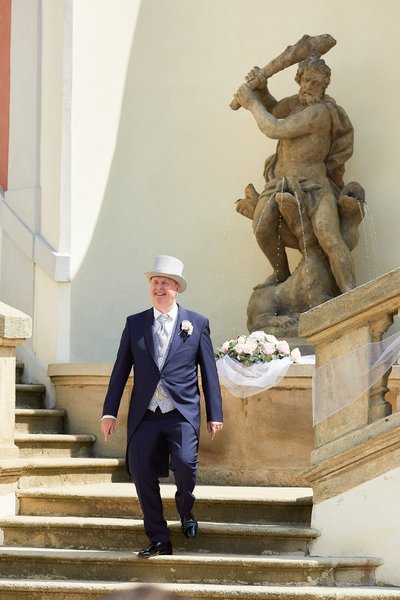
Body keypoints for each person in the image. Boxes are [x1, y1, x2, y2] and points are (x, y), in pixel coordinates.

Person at [101, 255, 223, 558]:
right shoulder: (135, 324)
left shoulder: (196, 323)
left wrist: (215, 414)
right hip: (146, 413)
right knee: (140, 471)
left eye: (165, 283)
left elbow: (209, 371)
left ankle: (186, 510)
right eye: (155, 282)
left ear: (177, 288)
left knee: (184, 464)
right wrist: (109, 411)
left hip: (181, 411)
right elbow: (120, 370)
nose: (158, 287)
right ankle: (159, 538)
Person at [234, 54, 356, 294]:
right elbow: (275, 110)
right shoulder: (295, 103)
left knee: (329, 236)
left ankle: (351, 294)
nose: (310, 87)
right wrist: (263, 89)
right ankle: (280, 272)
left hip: (314, 185)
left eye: (316, 83)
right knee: (261, 227)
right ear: (299, 79)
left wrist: (251, 103)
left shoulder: (320, 112)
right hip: (279, 183)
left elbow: (274, 127)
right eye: (307, 80)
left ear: (324, 86)